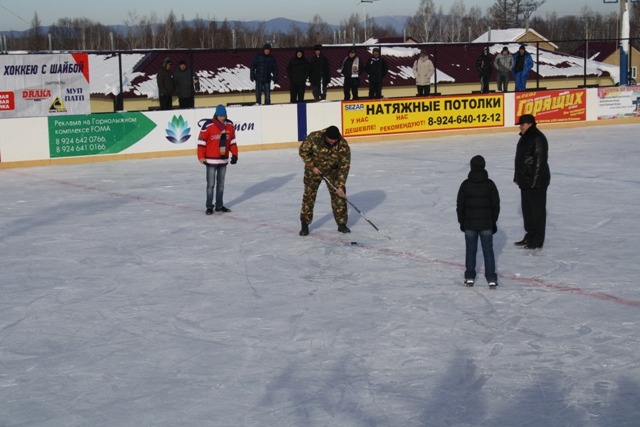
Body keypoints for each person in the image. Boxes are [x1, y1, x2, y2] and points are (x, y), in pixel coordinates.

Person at [298, 125, 351, 236]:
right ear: (326, 136)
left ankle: (342, 224)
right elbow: (303, 151)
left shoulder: (343, 145)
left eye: (335, 140)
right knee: (309, 197)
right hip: (313, 171)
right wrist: (312, 166)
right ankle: (305, 225)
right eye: (330, 139)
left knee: (339, 196)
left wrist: (341, 185)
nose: (332, 142)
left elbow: (344, 166)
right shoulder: (314, 137)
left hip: (333, 172)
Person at [457, 155, 500, 288]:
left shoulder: (465, 184)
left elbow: (460, 205)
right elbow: (496, 205)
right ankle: (491, 278)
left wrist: (462, 222)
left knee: (470, 250)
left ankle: (469, 277)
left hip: (470, 224)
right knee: (488, 251)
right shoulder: (490, 184)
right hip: (486, 224)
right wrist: (493, 221)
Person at [513, 114, 550, 249]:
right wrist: (517, 176)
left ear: (529, 124)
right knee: (527, 211)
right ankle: (529, 236)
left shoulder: (538, 138)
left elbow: (540, 163)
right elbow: (520, 159)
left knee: (537, 212)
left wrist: (534, 183)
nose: (520, 127)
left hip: (537, 183)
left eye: (522, 124)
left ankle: (537, 240)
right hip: (525, 181)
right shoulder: (525, 137)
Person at [197, 104, 238, 215]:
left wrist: (234, 154)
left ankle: (219, 205)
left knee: (221, 184)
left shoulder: (229, 125)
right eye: (220, 116)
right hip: (211, 160)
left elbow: (232, 141)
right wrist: (201, 156)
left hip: (223, 160)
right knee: (211, 185)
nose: (222, 118)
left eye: (224, 115)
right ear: (216, 115)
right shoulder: (208, 125)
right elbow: (201, 142)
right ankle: (209, 206)